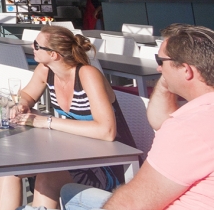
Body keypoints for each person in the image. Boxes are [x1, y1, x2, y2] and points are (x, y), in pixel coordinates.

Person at [60, 23, 214, 210]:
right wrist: (171, 74)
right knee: (69, 190)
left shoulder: (188, 128)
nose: (158, 69)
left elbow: (131, 204)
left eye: (160, 61)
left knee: (72, 195)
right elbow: (159, 122)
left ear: (186, 70)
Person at [0, 26, 135, 210]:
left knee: (46, 179)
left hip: (106, 161)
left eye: (37, 45)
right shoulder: (45, 70)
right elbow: (28, 95)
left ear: (54, 54)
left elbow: (107, 131)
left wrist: (47, 122)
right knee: (9, 170)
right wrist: (23, 104)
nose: (32, 46)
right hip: (71, 151)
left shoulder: (87, 74)